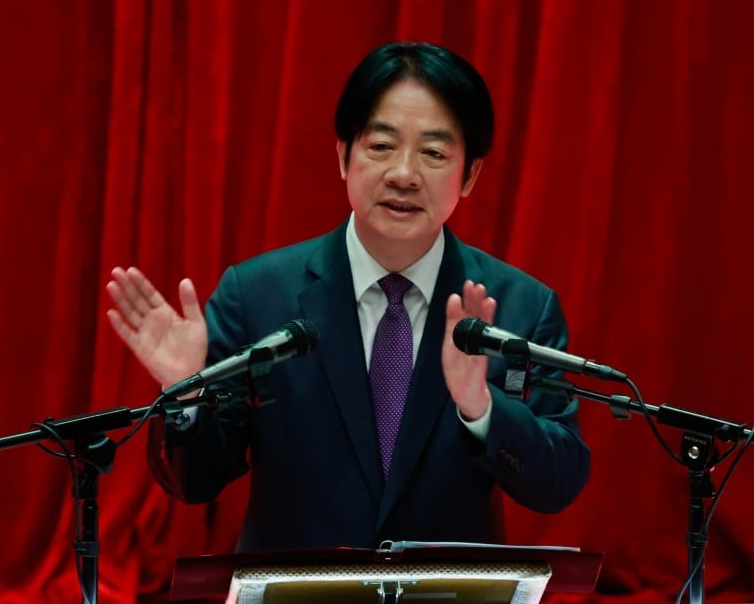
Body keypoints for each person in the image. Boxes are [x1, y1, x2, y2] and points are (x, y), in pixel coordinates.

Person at [106, 42, 590, 552]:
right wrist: (185, 395)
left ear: (469, 174)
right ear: (343, 156)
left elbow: (557, 482)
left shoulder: (519, 308)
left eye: (433, 153)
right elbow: (194, 481)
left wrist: (481, 408)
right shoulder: (257, 296)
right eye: (381, 146)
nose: (403, 174)